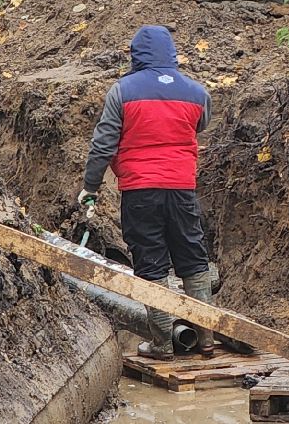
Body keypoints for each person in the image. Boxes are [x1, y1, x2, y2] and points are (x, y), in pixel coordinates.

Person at [80, 25, 212, 360]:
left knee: (151, 263)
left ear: (136, 54)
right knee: (193, 259)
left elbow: (103, 144)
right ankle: (207, 341)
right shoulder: (197, 93)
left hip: (140, 191)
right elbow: (200, 126)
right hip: (182, 189)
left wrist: (90, 187)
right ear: (172, 53)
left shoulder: (122, 91)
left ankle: (163, 345)